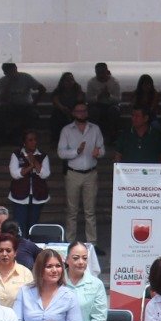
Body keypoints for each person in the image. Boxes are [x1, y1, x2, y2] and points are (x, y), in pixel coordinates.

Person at [57, 101, 104, 247]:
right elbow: (61, 153)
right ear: (73, 113)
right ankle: (70, 243)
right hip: (73, 173)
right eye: (79, 111)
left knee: (90, 211)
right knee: (72, 211)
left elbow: (102, 150)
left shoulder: (95, 129)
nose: (82, 114)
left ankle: (92, 244)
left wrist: (98, 153)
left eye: (84, 111)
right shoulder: (66, 130)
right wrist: (76, 151)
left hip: (91, 173)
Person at [0, 63, 45, 146]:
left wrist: (34, 103)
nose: (12, 74)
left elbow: (42, 89)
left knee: (31, 114)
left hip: (26, 105)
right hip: (11, 106)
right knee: (2, 111)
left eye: (13, 71)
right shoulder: (2, 81)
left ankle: (20, 136)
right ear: (5, 73)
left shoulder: (25, 77)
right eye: (9, 72)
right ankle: (1, 138)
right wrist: (9, 83)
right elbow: (3, 98)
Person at [0, 232, 32, 313]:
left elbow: (31, 302)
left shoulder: (25, 273)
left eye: (8, 250)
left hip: (17, 319)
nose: (4, 254)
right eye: (0, 250)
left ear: (15, 253)